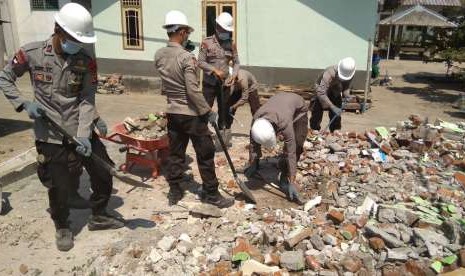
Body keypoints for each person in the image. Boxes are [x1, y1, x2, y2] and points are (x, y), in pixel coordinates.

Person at [0, 3, 123, 251]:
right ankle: (62, 225)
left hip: (80, 129)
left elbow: (87, 97)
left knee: (103, 172)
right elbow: (5, 77)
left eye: (80, 40)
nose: (77, 45)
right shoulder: (32, 53)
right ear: (58, 30)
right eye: (73, 39)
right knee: (59, 185)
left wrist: (84, 134)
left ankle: (99, 214)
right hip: (51, 133)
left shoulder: (85, 61)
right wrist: (23, 104)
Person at [154, 10, 234, 209]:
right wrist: (208, 111)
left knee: (176, 152)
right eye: (186, 32)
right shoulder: (187, 58)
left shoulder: (159, 55)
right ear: (181, 32)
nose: (187, 36)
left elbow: (165, 85)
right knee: (205, 153)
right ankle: (211, 194)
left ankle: (175, 189)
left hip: (173, 112)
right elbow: (192, 91)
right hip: (191, 114)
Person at [244, 93, 308, 205]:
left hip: (299, 108)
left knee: (297, 143)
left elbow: (291, 152)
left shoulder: (285, 123)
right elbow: (253, 142)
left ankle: (284, 175)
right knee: (256, 141)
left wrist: (292, 181)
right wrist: (254, 161)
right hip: (280, 102)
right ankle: (257, 163)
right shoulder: (256, 119)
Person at [198, 12, 239, 145]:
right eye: (224, 29)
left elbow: (237, 62)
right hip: (209, 84)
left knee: (224, 111)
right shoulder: (206, 43)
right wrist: (214, 70)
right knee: (205, 109)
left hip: (225, 85)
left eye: (228, 30)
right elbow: (200, 62)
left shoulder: (231, 44)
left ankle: (222, 137)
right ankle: (202, 136)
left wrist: (234, 75)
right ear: (217, 27)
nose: (226, 32)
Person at [309, 57, 356, 132]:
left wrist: (347, 95)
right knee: (316, 113)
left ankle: (335, 132)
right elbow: (321, 93)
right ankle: (314, 131)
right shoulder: (328, 73)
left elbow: (346, 86)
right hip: (321, 89)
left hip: (335, 89)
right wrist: (332, 106)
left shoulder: (349, 73)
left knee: (336, 114)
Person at [223, 68, 261, 145]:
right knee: (228, 106)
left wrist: (234, 106)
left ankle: (258, 135)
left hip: (251, 88)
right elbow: (229, 90)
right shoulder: (230, 78)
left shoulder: (243, 80)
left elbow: (244, 98)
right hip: (238, 86)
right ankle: (226, 130)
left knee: (256, 111)